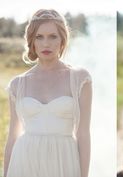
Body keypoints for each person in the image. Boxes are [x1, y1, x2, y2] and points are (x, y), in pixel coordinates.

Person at [3, 9, 92, 177]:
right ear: (32, 41)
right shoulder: (18, 84)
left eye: (53, 36)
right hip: (24, 161)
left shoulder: (80, 78)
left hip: (64, 160)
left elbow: (83, 134)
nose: (46, 44)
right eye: (39, 37)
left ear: (62, 40)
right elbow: (12, 137)